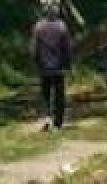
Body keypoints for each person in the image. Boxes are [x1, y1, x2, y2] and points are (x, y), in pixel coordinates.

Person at [32, 1, 74, 130]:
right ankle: (58, 122)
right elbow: (67, 48)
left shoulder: (38, 27)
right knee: (59, 95)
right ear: (56, 12)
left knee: (45, 94)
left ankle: (47, 117)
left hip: (44, 67)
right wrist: (68, 64)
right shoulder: (62, 27)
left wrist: (36, 62)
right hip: (59, 67)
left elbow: (34, 48)